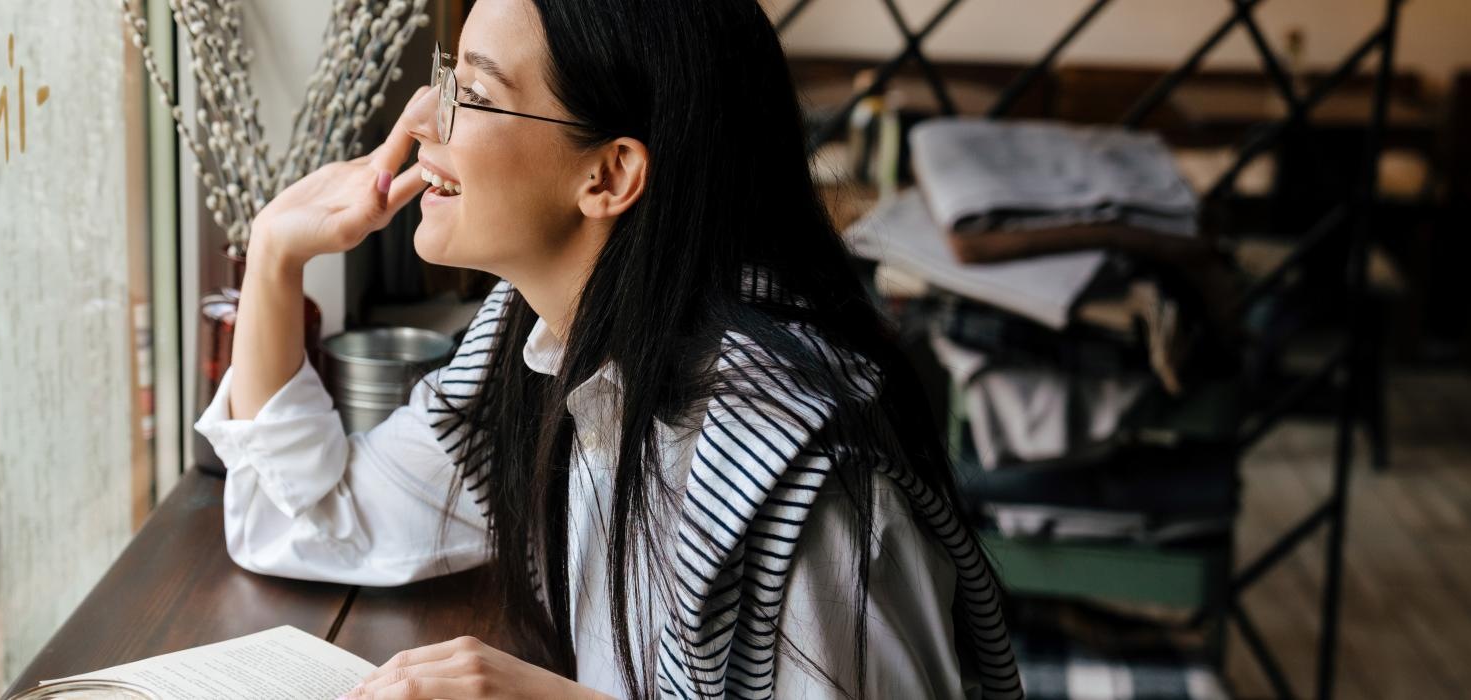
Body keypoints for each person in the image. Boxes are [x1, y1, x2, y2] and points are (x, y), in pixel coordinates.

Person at [195, 1, 1021, 697]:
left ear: (610, 176)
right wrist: (274, 253)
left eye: (472, 94)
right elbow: (317, 516)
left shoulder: (810, 492)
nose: (422, 119)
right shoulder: (539, 351)